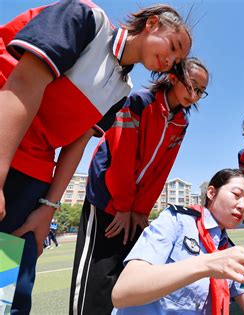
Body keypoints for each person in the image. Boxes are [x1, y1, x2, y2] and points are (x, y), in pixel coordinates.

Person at [0, 2, 192, 313]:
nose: (170, 60)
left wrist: (48, 207)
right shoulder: (86, 17)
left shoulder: (121, 89)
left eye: (177, 59)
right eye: (173, 46)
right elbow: (23, 83)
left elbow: (76, 145)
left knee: (9, 295)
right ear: (152, 24)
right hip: (3, 150)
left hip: (34, 172)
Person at [69, 57, 209, 315]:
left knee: (122, 277)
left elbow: (160, 171)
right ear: (173, 78)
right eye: (192, 85)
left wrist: (141, 211)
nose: (195, 94)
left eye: (201, 91)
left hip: (133, 210)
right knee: (96, 276)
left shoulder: (181, 123)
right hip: (107, 197)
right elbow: (121, 156)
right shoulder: (138, 102)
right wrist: (123, 206)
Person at [111, 168, 244, 315]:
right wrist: (207, 264)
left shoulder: (228, 250)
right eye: (236, 195)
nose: (243, 206)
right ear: (211, 192)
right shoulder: (176, 220)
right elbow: (123, 292)